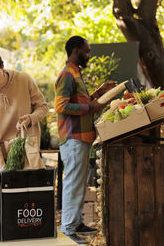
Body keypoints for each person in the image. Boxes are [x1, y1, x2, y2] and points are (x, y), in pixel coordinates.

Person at [54, 36, 116, 244]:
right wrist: (90, 108)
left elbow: (82, 101)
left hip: (81, 138)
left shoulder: (75, 73)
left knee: (79, 184)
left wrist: (100, 92)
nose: (88, 55)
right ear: (75, 50)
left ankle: (75, 222)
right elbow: (61, 107)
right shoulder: (67, 75)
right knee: (73, 183)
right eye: (86, 51)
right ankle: (68, 228)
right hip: (73, 138)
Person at [0, 48, 49, 171]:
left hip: (31, 153)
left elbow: (43, 107)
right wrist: (4, 168)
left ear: (2, 66)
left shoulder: (24, 80)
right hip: (1, 159)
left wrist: (31, 118)